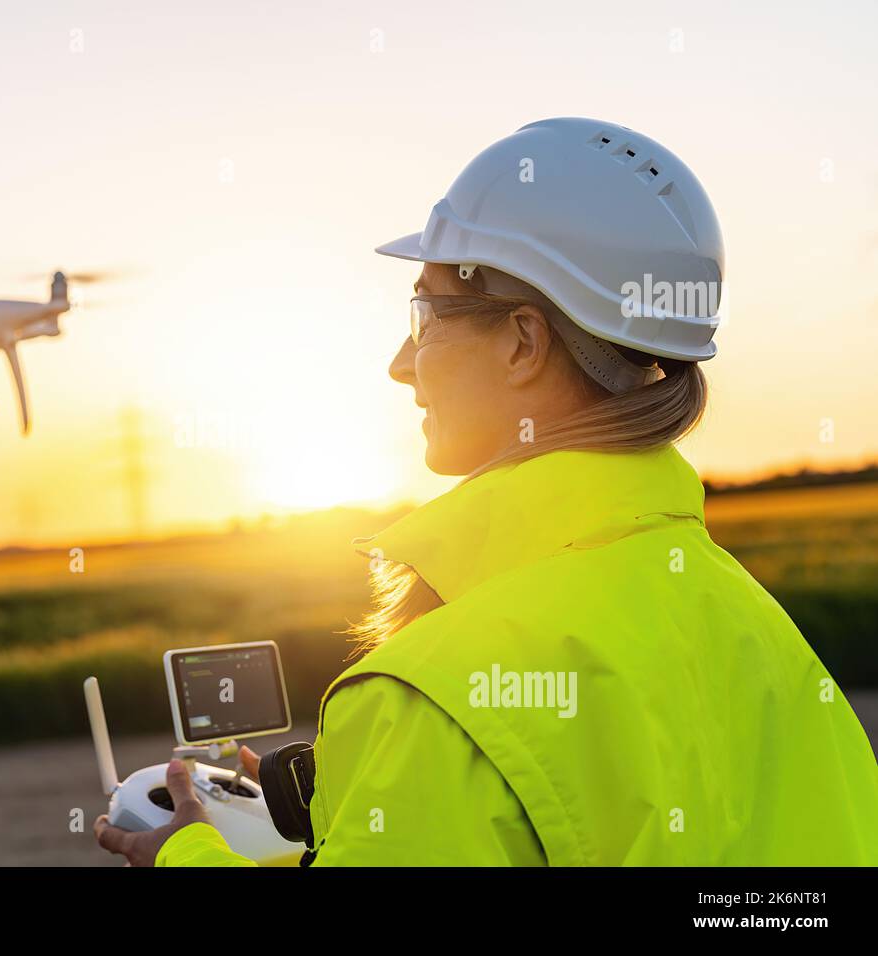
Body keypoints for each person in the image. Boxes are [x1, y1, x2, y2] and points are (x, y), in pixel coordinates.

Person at [94, 118, 878, 866]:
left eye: (426, 314)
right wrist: (323, 788)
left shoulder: (437, 694)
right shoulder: (768, 641)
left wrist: (190, 855)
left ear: (523, 342)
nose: (402, 362)